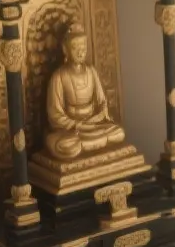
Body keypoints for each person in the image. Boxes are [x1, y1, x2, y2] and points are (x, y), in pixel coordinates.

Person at [41, 21, 125, 160]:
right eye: (75, 47)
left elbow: (102, 101)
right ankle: (87, 145)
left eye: (83, 46)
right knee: (66, 146)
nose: (80, 51)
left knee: (118, 133)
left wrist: (99, 115)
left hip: (94, 126)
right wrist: (77, 124)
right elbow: (55, 114)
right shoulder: (59, 76)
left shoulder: (91, 72)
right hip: (72, 131)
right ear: (65, 49)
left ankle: (88, 144)